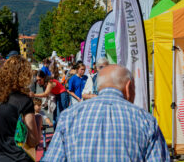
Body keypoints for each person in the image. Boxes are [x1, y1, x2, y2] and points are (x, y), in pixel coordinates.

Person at [42, 64, 170, 161]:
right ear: (128, 87)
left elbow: (53, 158)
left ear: (99, 87)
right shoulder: (146, 120)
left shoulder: (70, 116)